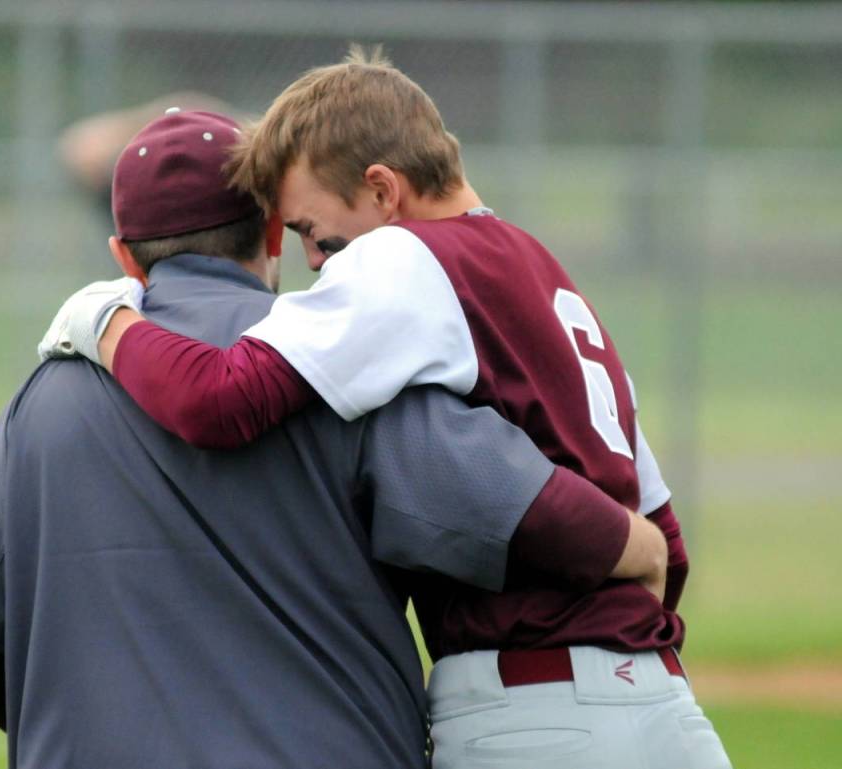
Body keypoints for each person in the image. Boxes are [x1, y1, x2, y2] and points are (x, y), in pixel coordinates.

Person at [38, 49, 731, 769]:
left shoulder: (403, 255)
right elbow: (664, 541)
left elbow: (217, 400)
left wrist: (104, 319)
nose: (314, 261)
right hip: (661, 708)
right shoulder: (543, 272)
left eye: (314, 231)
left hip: (537, 716)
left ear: (381, 190)